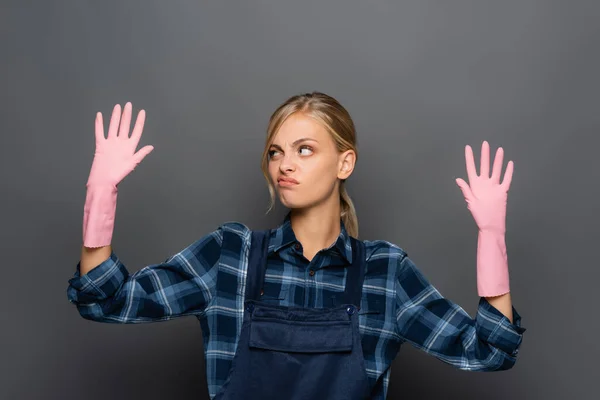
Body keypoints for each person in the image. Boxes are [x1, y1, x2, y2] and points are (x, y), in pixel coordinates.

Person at [67, 92, 526, 400]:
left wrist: (492, 239)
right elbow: (105, 300)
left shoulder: (384, 273)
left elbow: (488, 351)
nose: (285, 164)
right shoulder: (231, 257)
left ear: (344, 161)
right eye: (275, 151)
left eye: (304, 149)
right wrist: (100, 195)